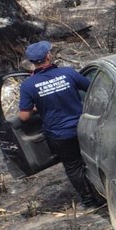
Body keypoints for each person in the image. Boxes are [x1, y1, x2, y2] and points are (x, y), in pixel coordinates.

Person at [18, 41, 99, 207]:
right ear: (48, 56)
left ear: (32, 62)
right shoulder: (68, 73)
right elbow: (92, 89)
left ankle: (89, 201)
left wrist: (36, 107)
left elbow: (24, 116)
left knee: (73, 166)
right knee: (95, 160)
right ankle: (104, 192)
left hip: (59, 134)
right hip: (83, 127)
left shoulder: (28, 85)